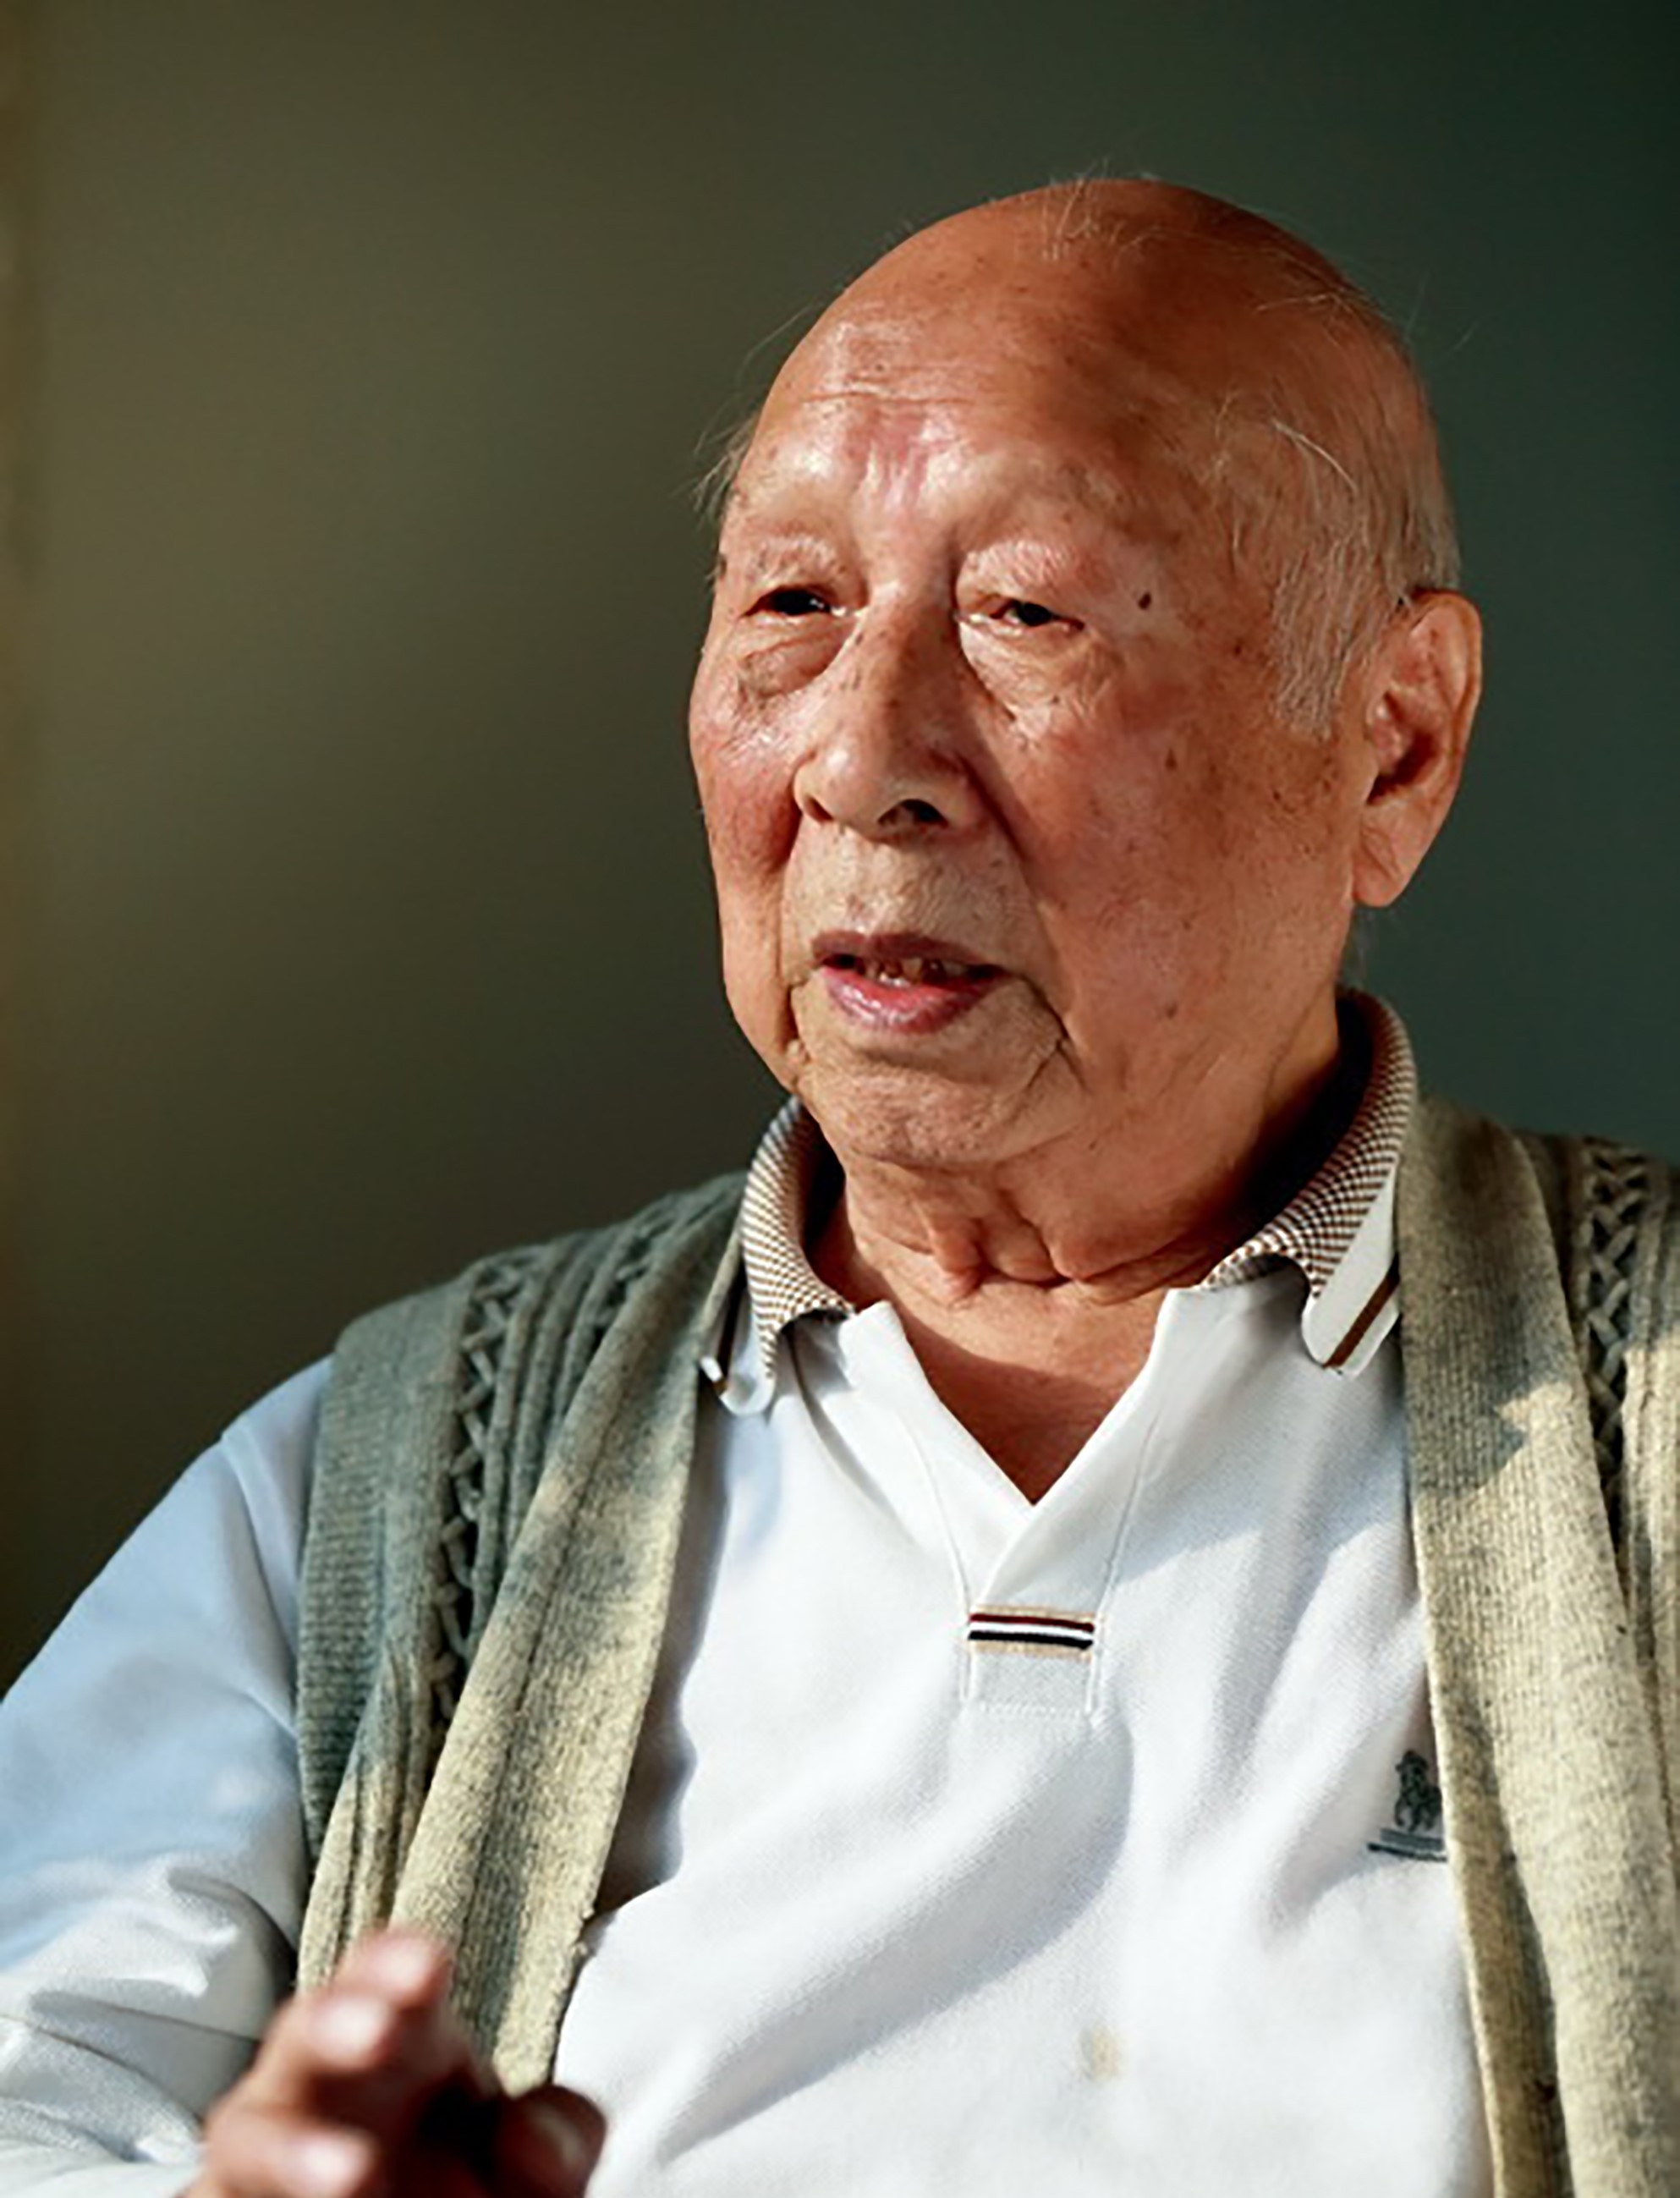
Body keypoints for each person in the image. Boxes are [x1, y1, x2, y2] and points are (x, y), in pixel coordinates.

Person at [0, 179, 1674, 2198]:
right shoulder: (384, 1490)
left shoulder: (1648, 1418)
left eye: (1029, 613)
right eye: (791, 603)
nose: (862, 756)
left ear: (1394, 748)